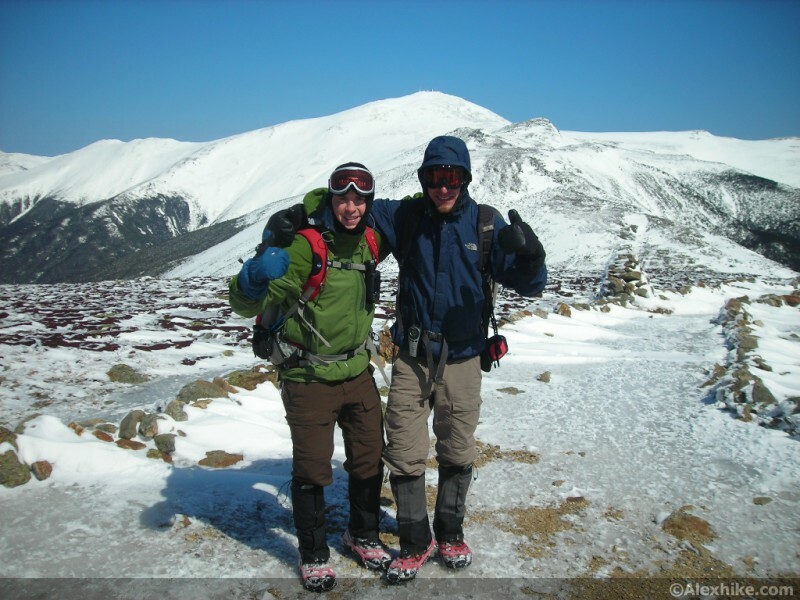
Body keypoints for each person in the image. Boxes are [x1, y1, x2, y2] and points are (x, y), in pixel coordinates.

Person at [265, 136, 547, 583]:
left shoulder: (486, 226)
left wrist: (532, 257)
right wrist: (302, 213)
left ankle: (450, 533)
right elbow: (352, 203)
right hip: (413, 357)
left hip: (464, 358)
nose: (443, 186)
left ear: (465, 179)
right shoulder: (406, 217)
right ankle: (416, 541)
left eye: (452, 177)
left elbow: (531, 286)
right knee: (404, 450)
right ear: (424, 180)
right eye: (434, 177)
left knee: (457, 448)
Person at [228, 163, 391, 592]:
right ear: (332, 200)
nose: (352, 207)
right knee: (313, 468)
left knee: (369, 456)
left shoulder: (370, 242)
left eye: (360, 200)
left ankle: (361, 535)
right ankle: (314, 553)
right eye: (344, 199)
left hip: (357, 370)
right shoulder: (307, 246)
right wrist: (250, 281)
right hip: (308, 375)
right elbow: (248, 304)